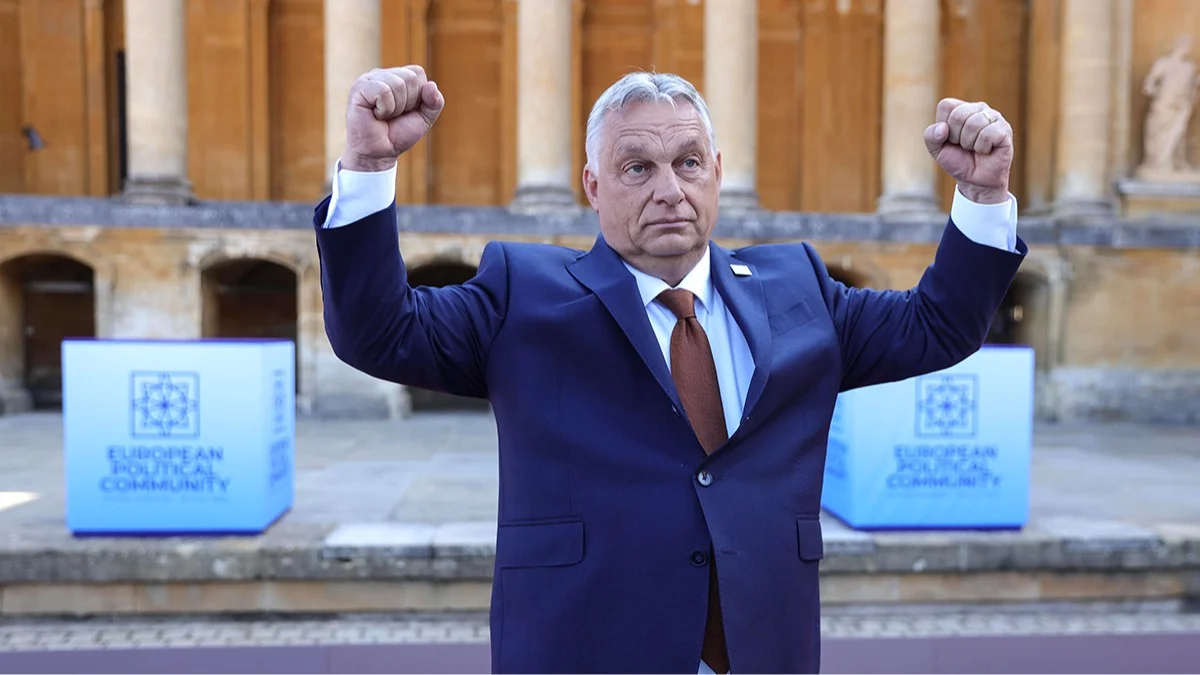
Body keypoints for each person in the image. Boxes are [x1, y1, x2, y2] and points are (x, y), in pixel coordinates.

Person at [313, 65, 1026, 674]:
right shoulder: (521, 294)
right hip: (586, 649)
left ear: (717, 172)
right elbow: (379, 332)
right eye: (637, 168)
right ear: (593, 186)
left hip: (761, 649)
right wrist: (369, 169)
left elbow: (937, 325)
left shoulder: (799, 288)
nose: (669, 190)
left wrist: (983, 197)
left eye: (688, 162)